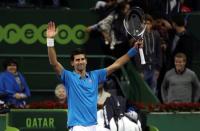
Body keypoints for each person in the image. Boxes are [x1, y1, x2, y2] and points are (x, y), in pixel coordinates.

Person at [46, 21, 143, 131]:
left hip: (94, 125)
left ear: (86, 61)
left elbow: (117, 64)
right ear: (72, 63)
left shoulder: (95, 75)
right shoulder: (68, 77)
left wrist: (134, 50)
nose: (80, 62)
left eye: (82, 59)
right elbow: (54, 63)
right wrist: (50, 40)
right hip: (77, 126)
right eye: (77, 60)